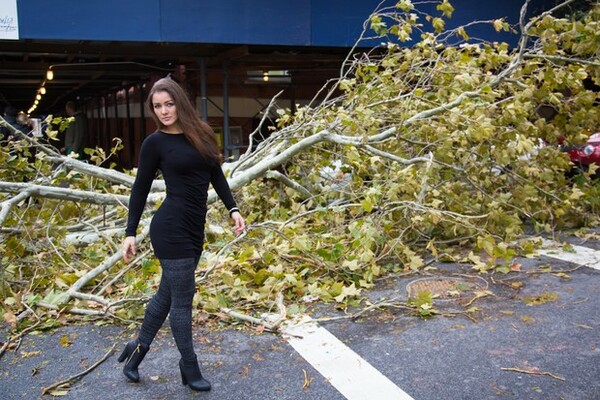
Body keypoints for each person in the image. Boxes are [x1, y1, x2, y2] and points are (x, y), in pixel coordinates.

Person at [119, 78, 245, 392]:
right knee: (182, 301)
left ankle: (135, 353)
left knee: (166, 297)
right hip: (170, 228)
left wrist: (233, 208)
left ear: (180, 102)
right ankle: (189, 366)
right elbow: (140, 189)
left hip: (193, 228)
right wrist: (130, 232)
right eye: (157, 106)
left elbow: (216, 173)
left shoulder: (202, 132)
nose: (163, 111)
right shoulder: (155, 144)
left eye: (169, 104)